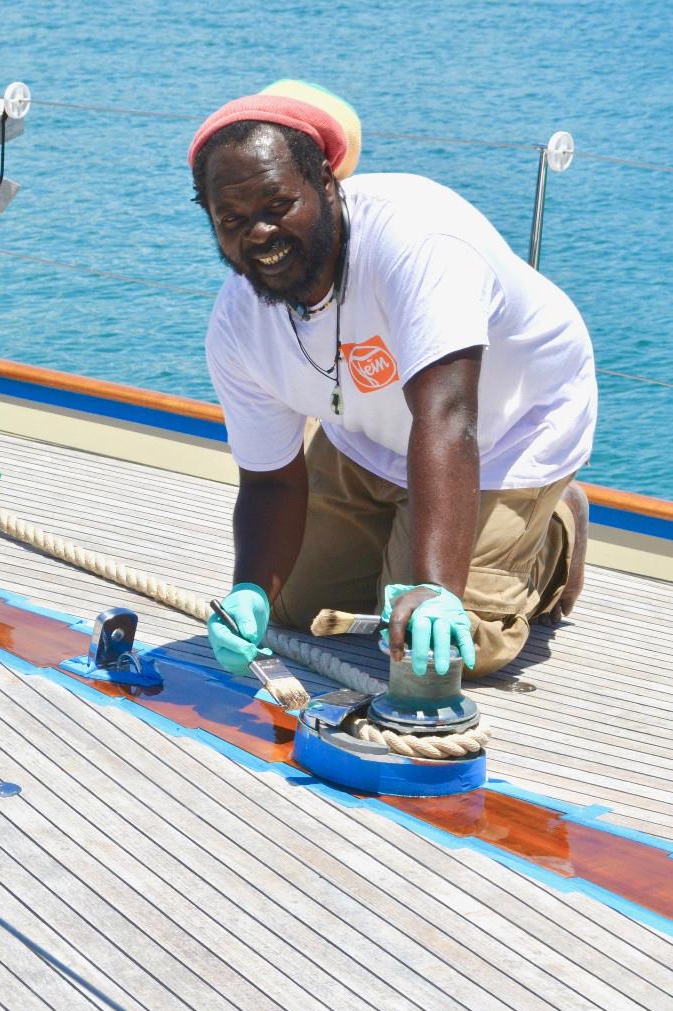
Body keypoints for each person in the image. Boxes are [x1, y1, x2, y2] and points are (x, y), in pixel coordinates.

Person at [189, 80, 597, 681]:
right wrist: (247, 590)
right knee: (292, 606)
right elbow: (272, 482)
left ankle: (553, 532)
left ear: (328, 183)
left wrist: (433, 587)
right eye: (233, 218)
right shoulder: (237, 324)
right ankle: (396, 547)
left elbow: (449, 416)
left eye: (279, 206)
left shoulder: (418, 242)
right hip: (367, 434)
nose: (259, 234)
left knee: (447, 642)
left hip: (504, 433)